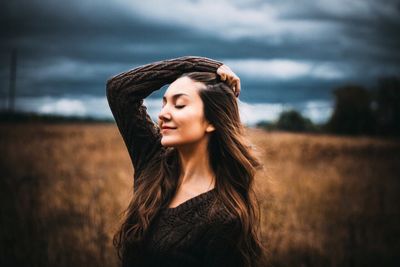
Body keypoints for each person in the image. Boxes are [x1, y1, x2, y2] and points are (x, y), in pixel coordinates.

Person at [106, 56, 267, 267]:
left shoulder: (223, 217)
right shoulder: (153, 160)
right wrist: (203, 66)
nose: (163, 114)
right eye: (164, 104)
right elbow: (119, 90)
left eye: (179, 105)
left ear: (211, 121)